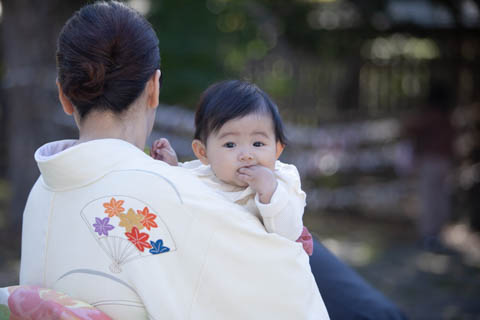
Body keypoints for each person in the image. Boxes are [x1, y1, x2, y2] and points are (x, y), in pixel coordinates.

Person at [19, 1, 407, 319]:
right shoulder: (172, 194)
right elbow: (288, 298)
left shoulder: (40, 194)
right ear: (154, 88)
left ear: (64, 96)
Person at [151, 80, 314, 255]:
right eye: (230, 145)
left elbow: (288, 235)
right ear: (203, 152)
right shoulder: (202, 174)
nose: (246, 154)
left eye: (258, 143)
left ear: (278, 149)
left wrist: (269, 192)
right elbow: (182, 192)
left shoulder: (282, 181)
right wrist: (171, 167)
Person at [404, 81, 455, 253]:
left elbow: (409, 128)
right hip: (444, 162)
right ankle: (436, 234)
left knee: (429, 200)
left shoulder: (430, 115)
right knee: (439, 199)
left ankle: (429, 236)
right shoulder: (447, 117)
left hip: (431, 162)